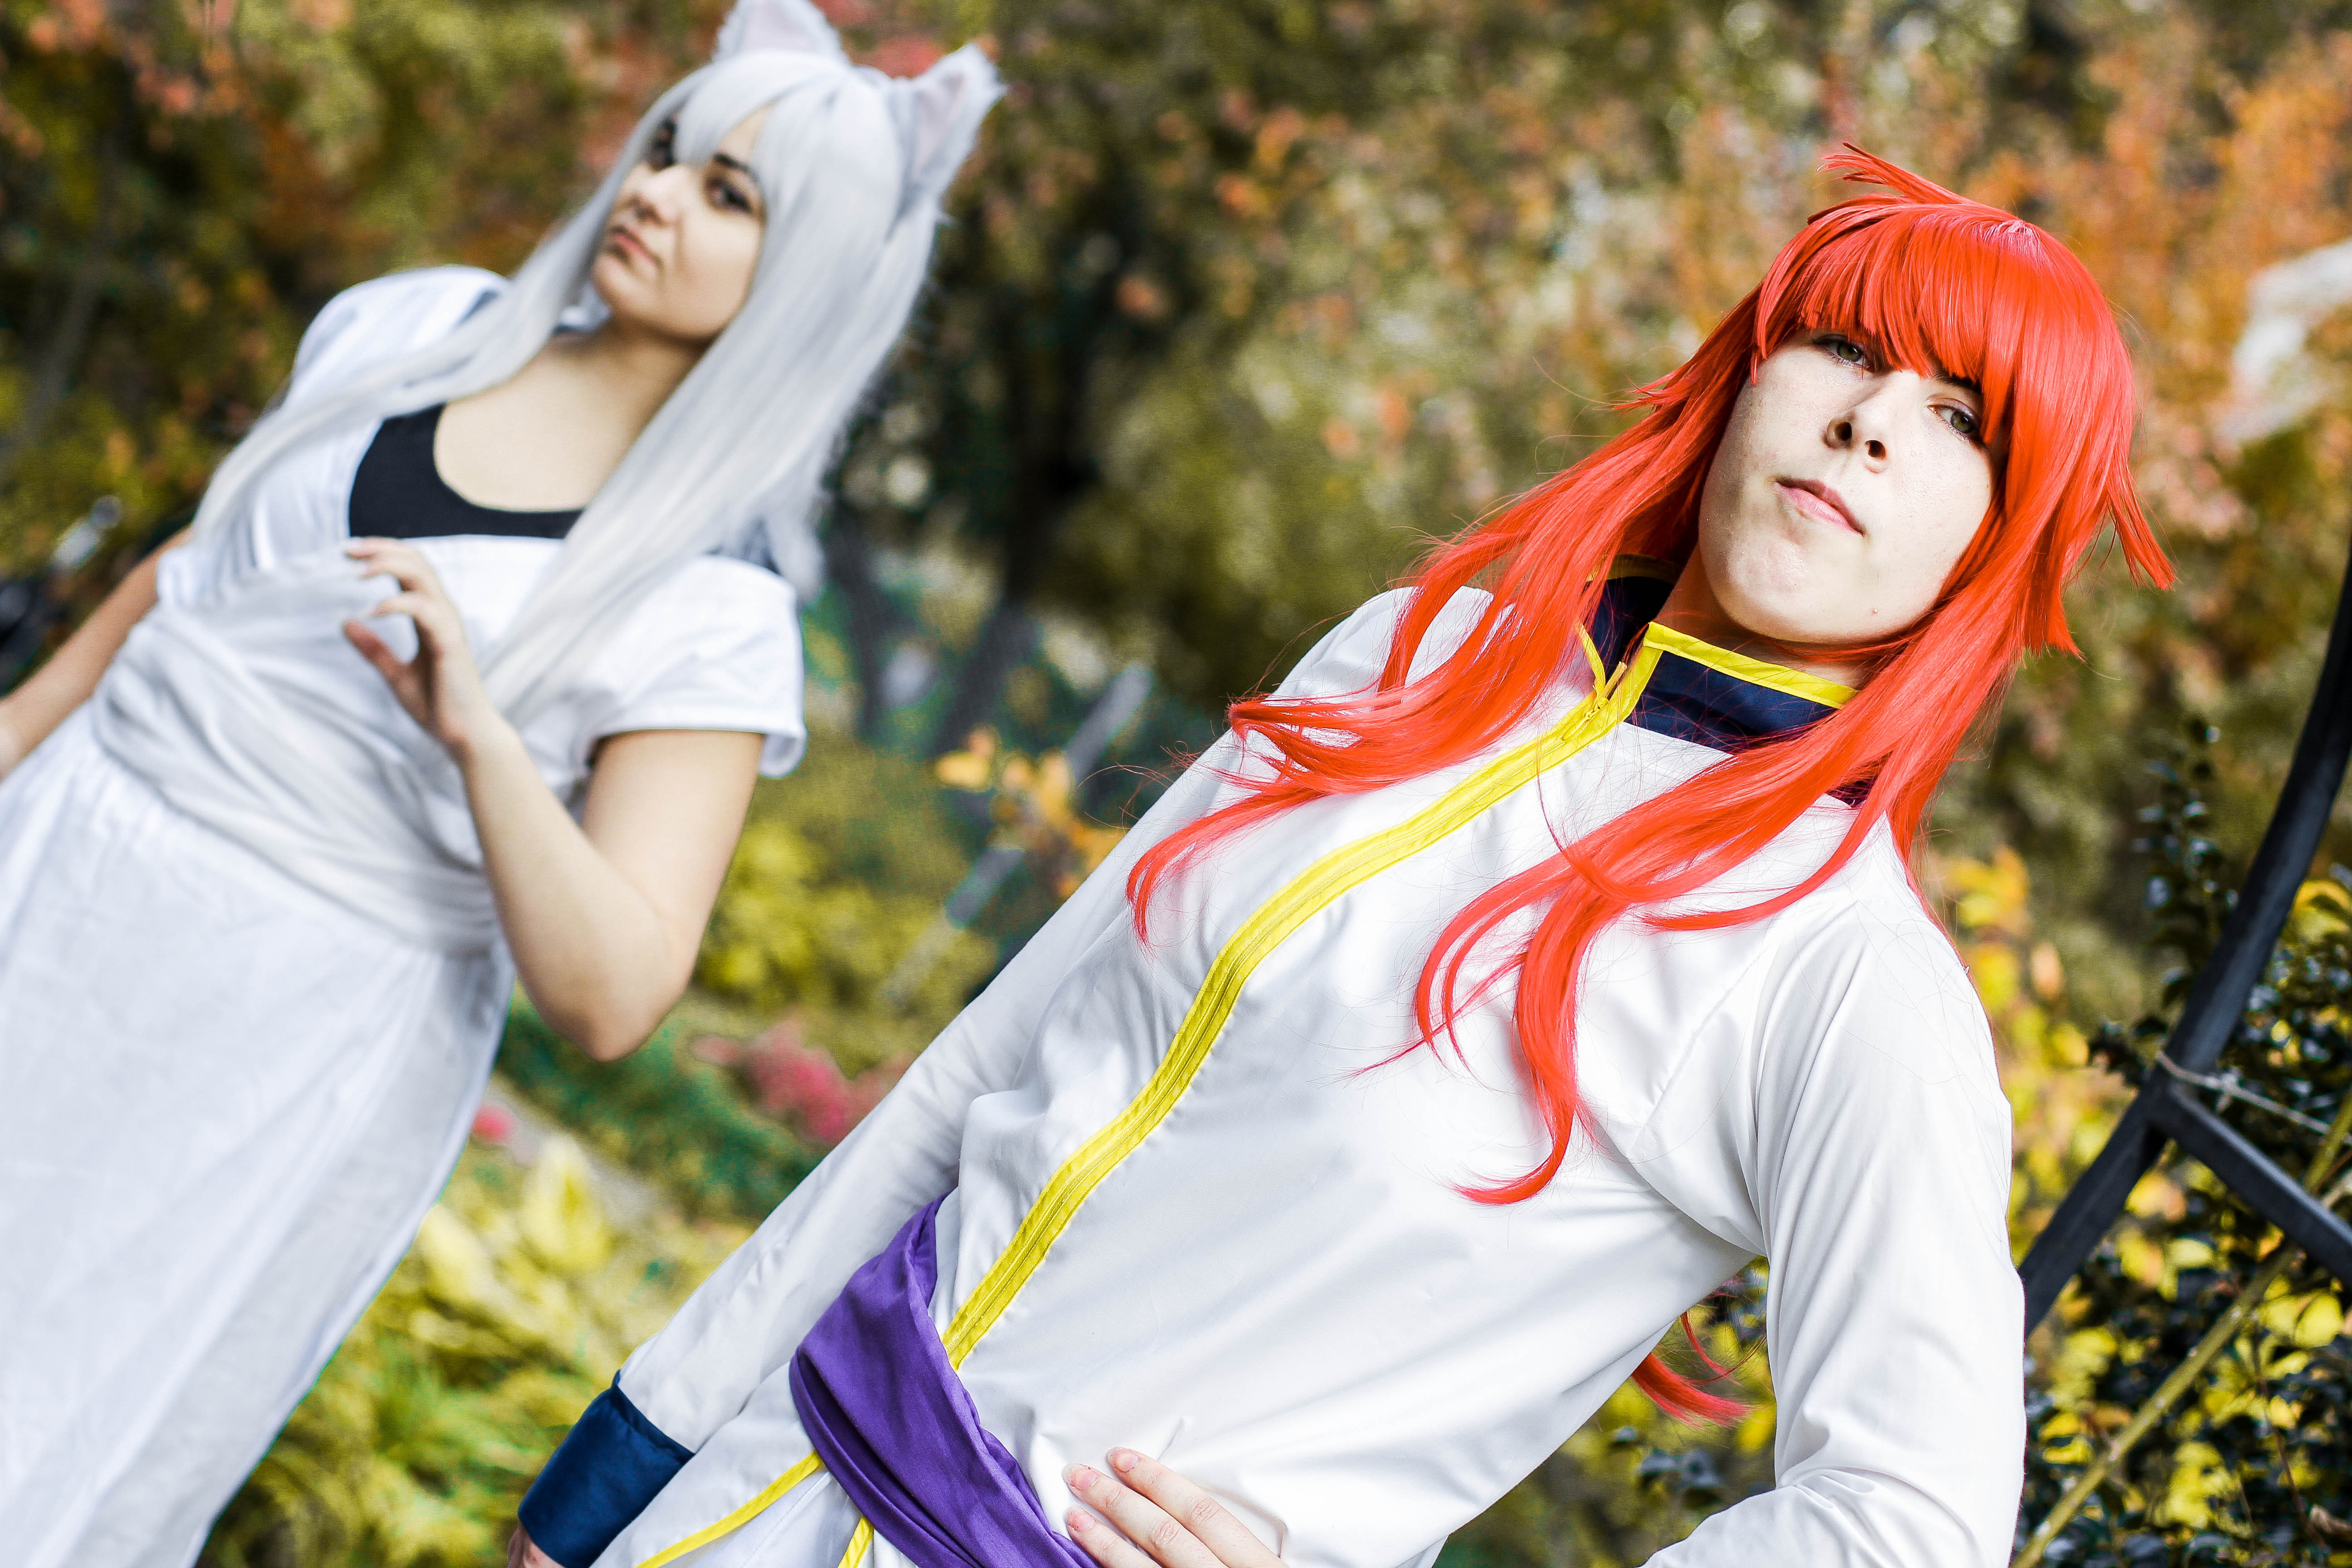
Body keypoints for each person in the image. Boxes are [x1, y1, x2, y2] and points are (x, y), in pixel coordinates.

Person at [512, 152, 2167, 1568]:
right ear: (1748, 372)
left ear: (1997, 539)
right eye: (1844, 347)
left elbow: (1908, 1517)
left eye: (1958, 420)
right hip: (768, 1484)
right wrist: (633, 1459)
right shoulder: (1415, 653)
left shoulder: (1842, 976)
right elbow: (991, 1066)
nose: (1869, 423)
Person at [0, 5, 999, 1565]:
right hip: (60, 863)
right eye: (668, 151)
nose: (655, 194)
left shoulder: (706, 605)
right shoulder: (412, 328)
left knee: (50, 1389)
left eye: (730, 195)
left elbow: (615, 992)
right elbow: (191, 577)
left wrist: (477, 732)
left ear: (807, 278)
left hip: (273, 1035)